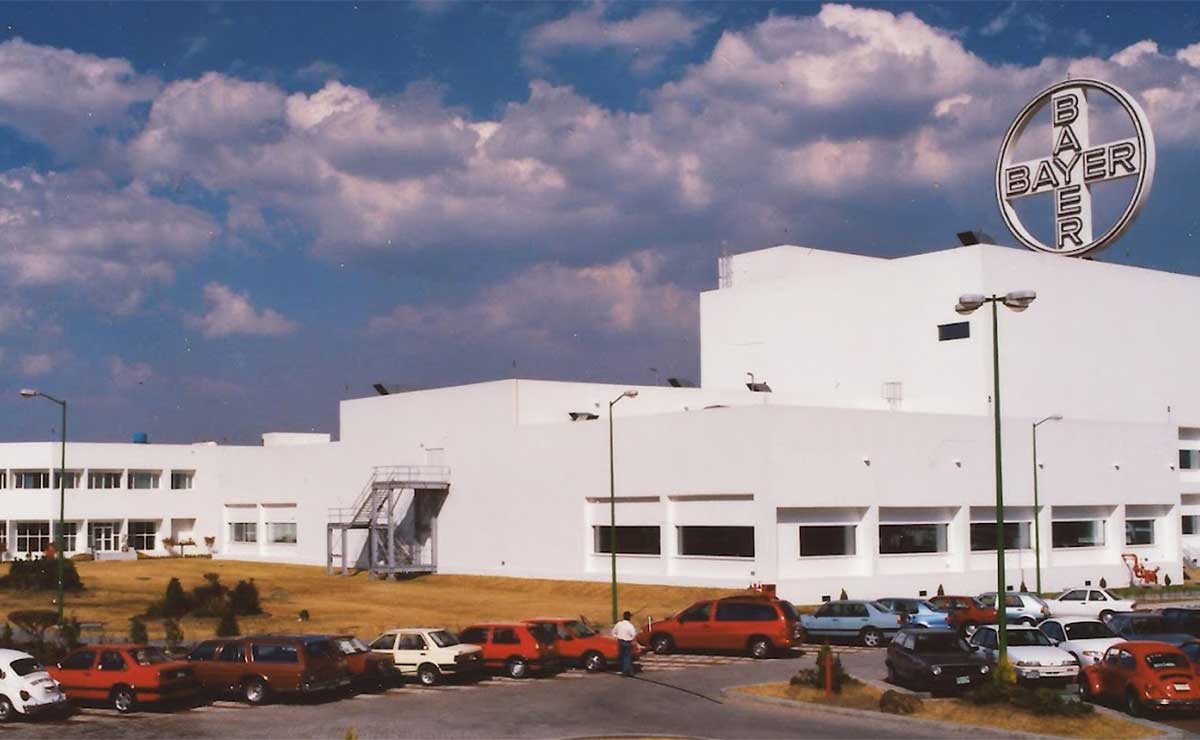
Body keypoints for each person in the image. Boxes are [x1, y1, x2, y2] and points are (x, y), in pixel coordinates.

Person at [611, 610, 637, 677]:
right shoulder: (630, 626)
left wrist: (616, 637)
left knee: (623, 656)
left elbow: (613, 632)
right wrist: (632, 640)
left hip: (620, 642)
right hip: (628, 642)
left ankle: (627, 670)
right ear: (629, 618)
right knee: (627, 657)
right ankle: (627, 671)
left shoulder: (619, 624)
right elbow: (633, 634)